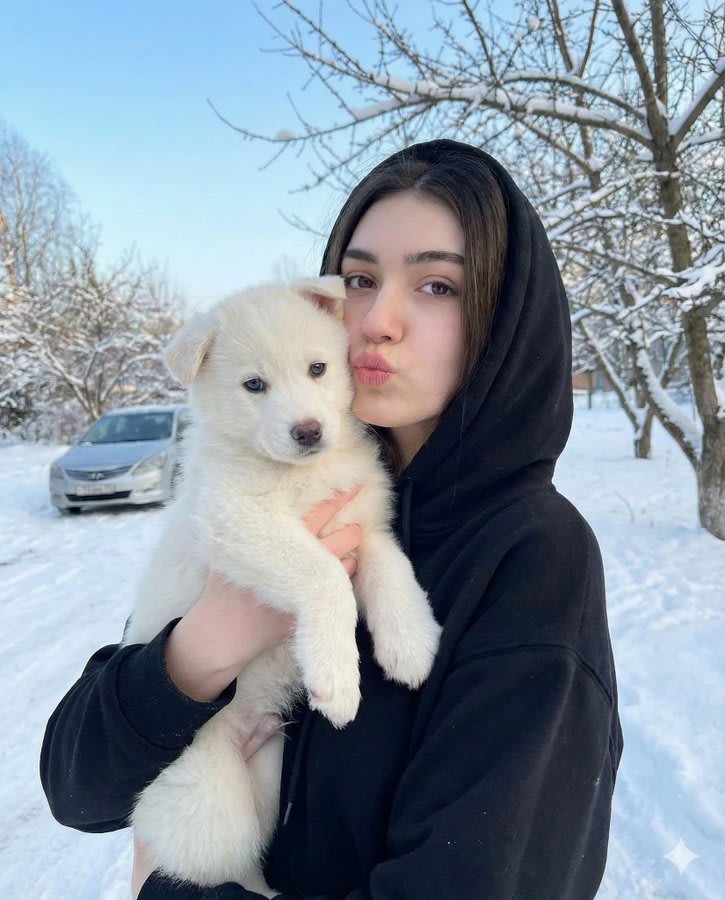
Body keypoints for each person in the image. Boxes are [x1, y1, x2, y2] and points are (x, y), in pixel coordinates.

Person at [40, 139, 624, 899]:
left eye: (437, 286)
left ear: (501, 317)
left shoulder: (533, 559)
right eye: (359, 279)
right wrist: (200, 649)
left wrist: (168, 892)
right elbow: (75, 786)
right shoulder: (273, 484)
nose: (377, 320)